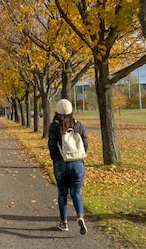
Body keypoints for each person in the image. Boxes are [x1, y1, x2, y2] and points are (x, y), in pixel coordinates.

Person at [48, 98, 88, 234]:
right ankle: (80, 216)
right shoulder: (78, 125)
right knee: (76, 193)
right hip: (78, 164)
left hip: (61, 163)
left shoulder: (54, 126)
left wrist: (55, 158)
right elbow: (85, 144)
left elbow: (51, 145)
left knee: (62, 193)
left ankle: (64, 223)